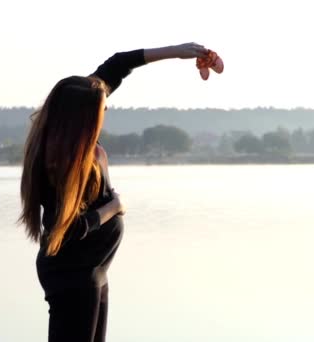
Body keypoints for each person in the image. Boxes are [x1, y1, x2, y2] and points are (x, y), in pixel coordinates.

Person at [18, 42, 209, 342]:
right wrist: (114, 207)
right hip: (73, 275)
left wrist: (179, 51)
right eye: (100, 112)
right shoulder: (60, 164)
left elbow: (118, 64)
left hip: (93, 270)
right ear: (80, 121)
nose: (104, 112)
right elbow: (66, 230)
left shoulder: (74, 122)